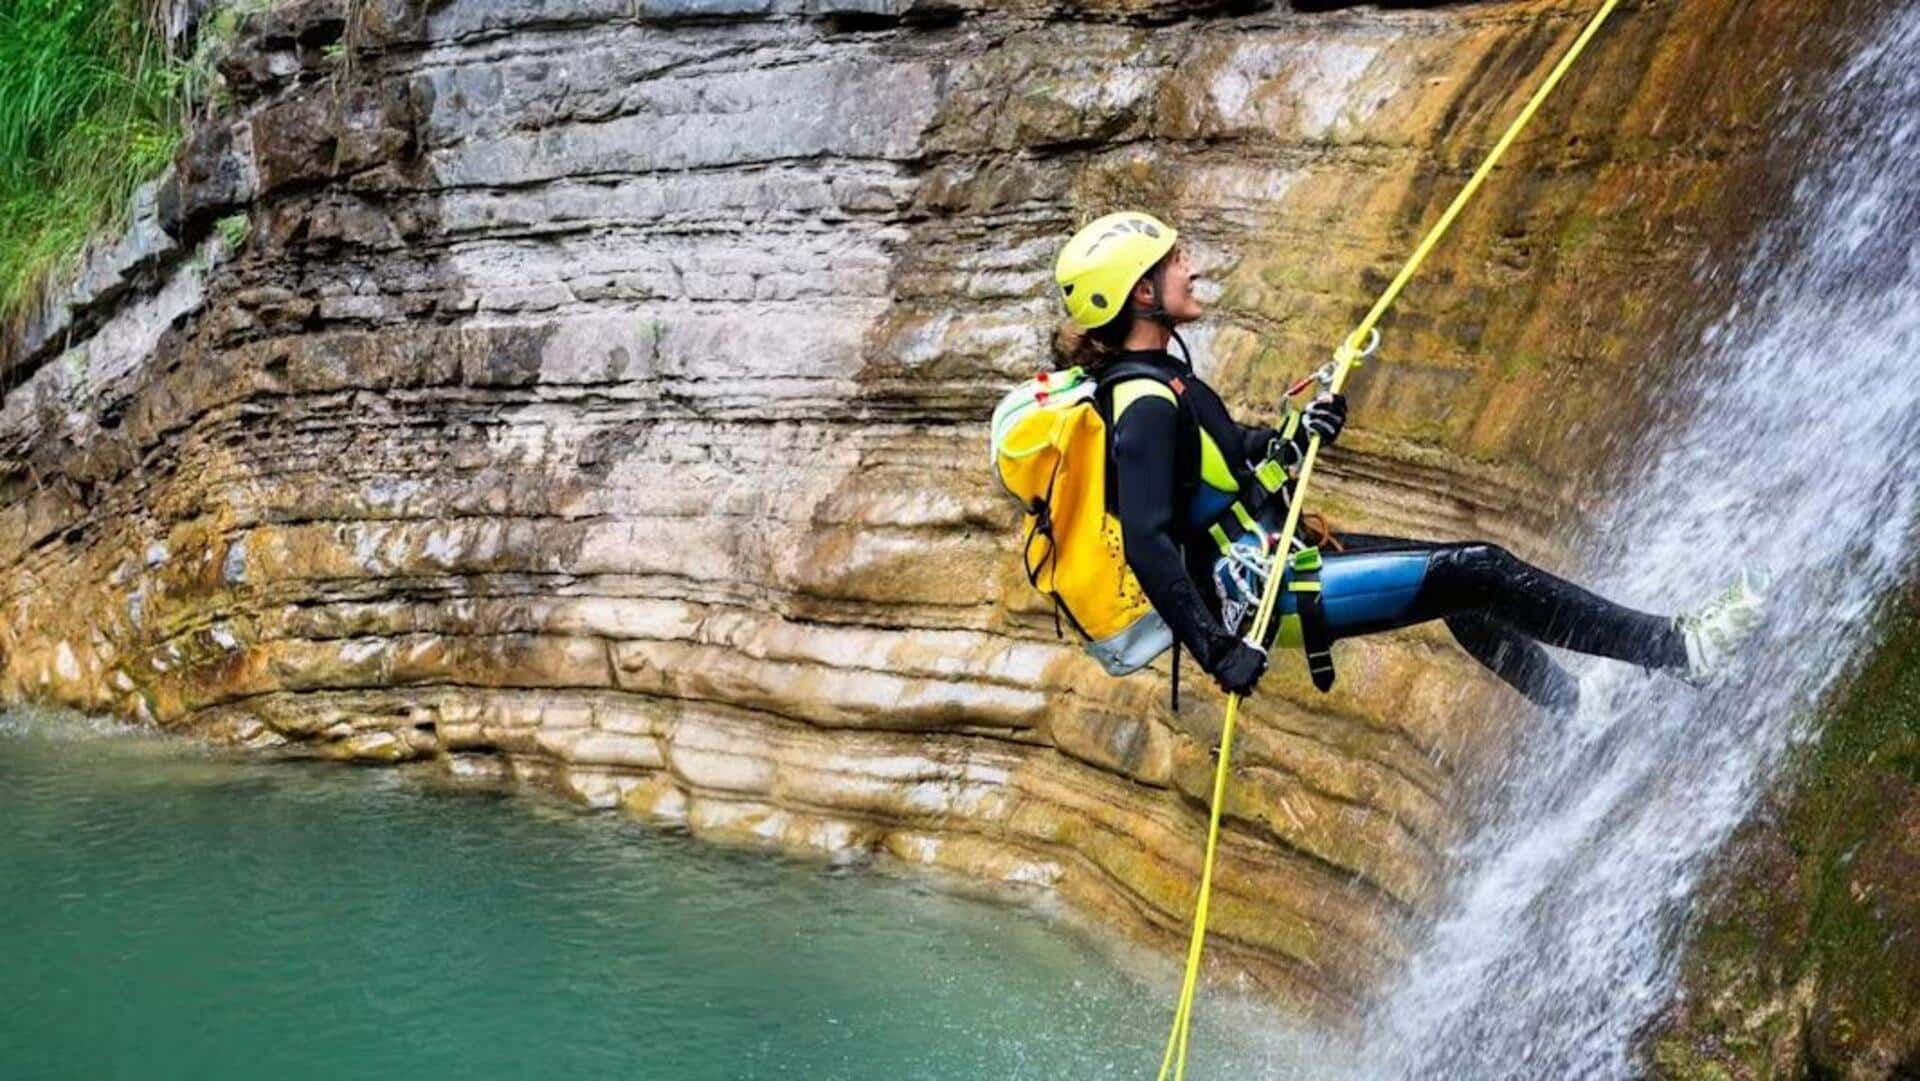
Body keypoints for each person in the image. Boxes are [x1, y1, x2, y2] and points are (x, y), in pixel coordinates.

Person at [1052, 210, 1767, 707]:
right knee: (1478, 570)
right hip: (1261, 590)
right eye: (1175, 262)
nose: (1192, 267)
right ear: (1142, 293)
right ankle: (1682, 651)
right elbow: (1148, 540)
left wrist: (1291, 436)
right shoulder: (1141, 403)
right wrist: (1217, 653)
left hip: (1274, 556)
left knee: (1454, 586)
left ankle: (1572, 704)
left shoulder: (1158, 381)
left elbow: (1225, 457)